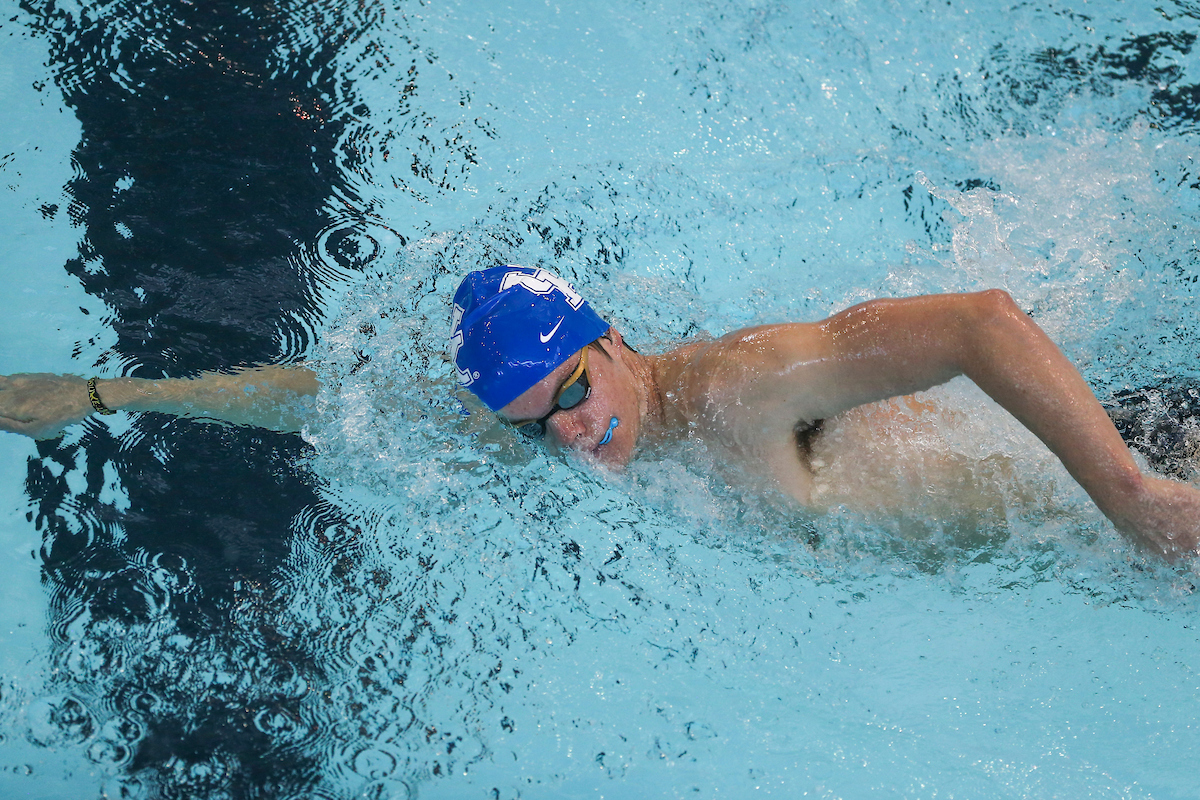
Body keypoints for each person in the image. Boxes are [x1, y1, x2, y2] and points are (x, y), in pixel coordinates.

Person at [2, 264, 1199, 559]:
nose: (570, 431)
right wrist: (108, 395)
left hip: (1132, 478)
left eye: (574, 389)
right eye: (534, 422)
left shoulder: (744, 382)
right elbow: (334, 401)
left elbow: (984, 319)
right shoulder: (564, 418)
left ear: (613, 337)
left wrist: (1135, 497)